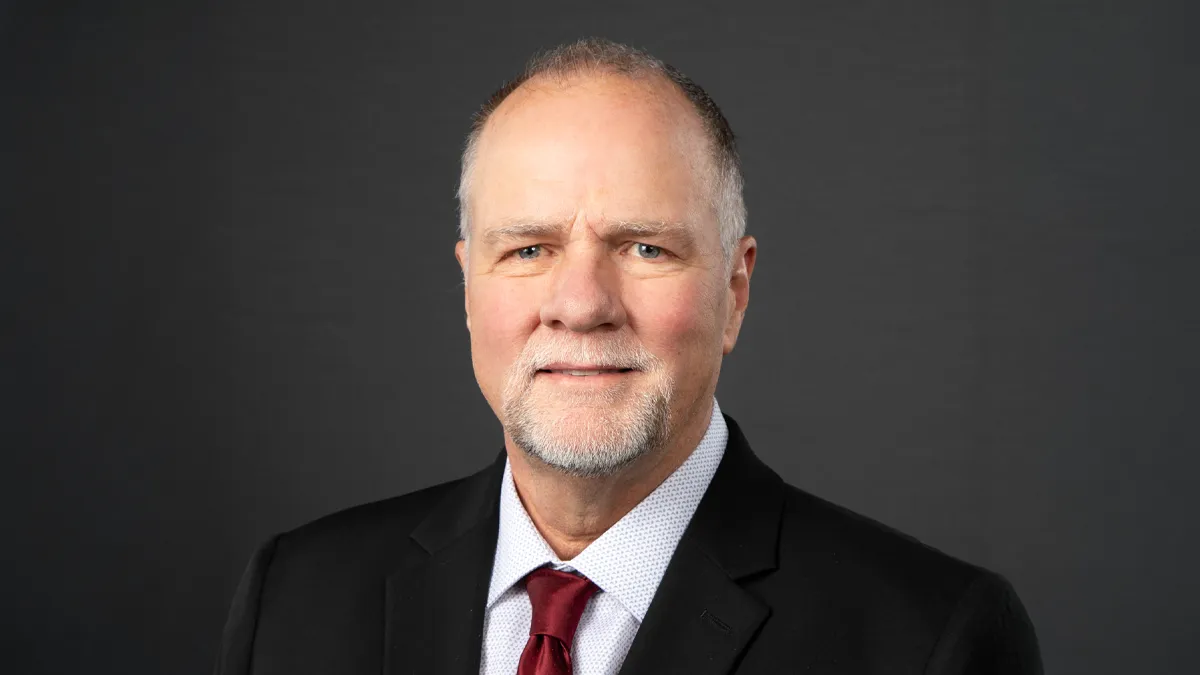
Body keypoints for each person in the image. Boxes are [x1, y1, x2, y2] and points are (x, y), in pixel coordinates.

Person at [213, 38, 1042, 675]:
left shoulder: (929, 638)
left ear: (735, 290)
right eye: (529, 249)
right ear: (468, 289)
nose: (581, 304)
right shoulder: (296, 597)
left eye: (646, 247)